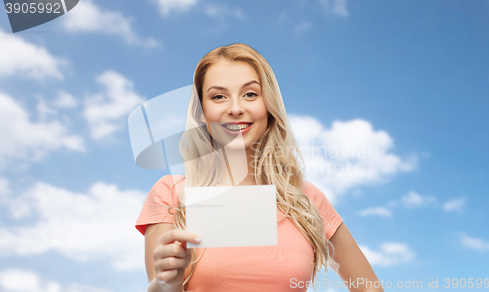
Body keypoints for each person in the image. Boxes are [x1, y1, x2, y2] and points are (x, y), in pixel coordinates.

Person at [135, 44, 384, 292]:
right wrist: (168, 283)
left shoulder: (305, 199)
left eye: (250, 94)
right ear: (202, 111)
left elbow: (369, 288)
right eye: (218, 96)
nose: (235, 108)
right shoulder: (172, 194)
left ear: (269, 104)